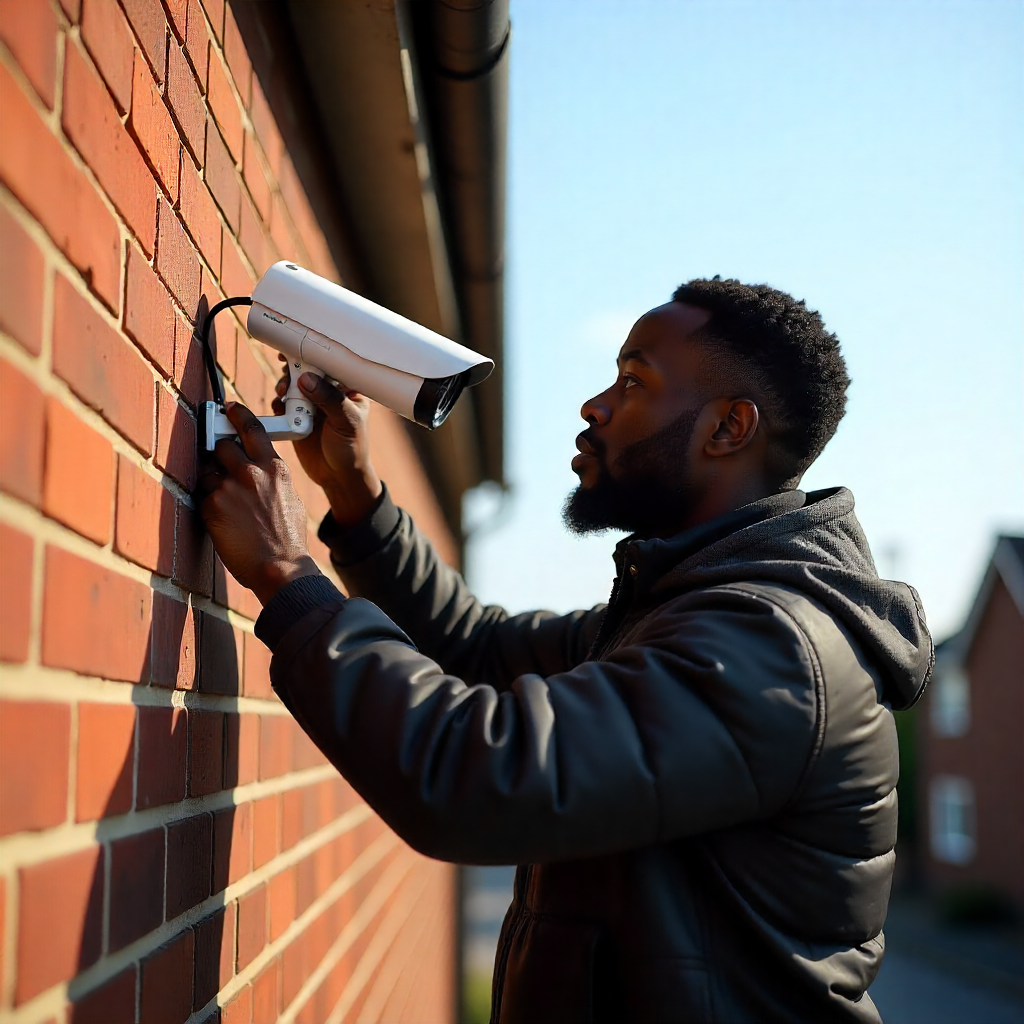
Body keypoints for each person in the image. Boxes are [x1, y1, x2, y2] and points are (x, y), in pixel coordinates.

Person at [200, 277, 932, 1023]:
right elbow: (477, 650)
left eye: (634, 381)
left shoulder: (769, 649)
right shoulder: (680, 617)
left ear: (728, 428)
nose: (594, 406)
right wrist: (355, 496)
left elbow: (482, 779)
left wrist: (287, 573)